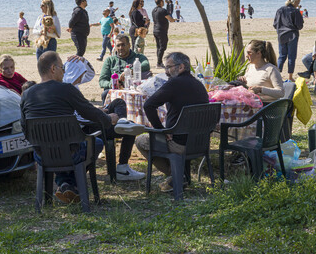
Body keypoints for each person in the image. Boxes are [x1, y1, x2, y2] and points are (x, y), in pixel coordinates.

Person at [20, 52, 119, 203]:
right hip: (71, 152)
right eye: (62, 67)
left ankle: (65, 184)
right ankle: (72, 183)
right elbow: (89, 112)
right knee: (96, 143)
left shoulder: (26, 95)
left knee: (62, 148)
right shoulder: (66, 89)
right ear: (53, 68)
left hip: (41, 154)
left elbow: (24, 127)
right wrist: (108, 119)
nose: (64, 71)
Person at [135, 52, 209, 193]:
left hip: (179, 144)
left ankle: (175, 175)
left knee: (140, 140)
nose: (166, 72)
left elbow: (148, 105)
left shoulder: (174, 83)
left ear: (181, 67)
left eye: (168, 68)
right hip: (200, 143)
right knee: (177, 133)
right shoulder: (198, 84)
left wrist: (161, 131)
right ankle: (180, 176)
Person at [99, 34, 151, 101]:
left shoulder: (139, 57)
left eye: (123, 45)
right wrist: (113, 83)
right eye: (118, 45)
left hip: (134, 90)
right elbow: (102, 81)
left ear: (129, 45)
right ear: (115, 46)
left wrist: (130, 71)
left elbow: (146, 65)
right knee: (105, 94)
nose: (121, 48)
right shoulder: (110, 61)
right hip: (116, 92)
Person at [273, 0, 304, 82]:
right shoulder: (295, 11)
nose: (298, 5)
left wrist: (280, 29)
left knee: (282, 56)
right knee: (291, 56)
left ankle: (277, 76)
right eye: (298, 3)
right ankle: (290, 77)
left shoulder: (280, 10)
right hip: (292, 35)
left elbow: (275, 24)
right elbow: (299, 25)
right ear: (294, 2)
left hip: (281, 35)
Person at [152, 0, 176, 68]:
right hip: (161, 30)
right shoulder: (163, 10)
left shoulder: (154, 10)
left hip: (155, 30)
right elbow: (170, 19)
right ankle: (159, 63)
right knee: (162, 47)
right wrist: (174, 19)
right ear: (161, 2)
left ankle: (159, 62)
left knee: (158, 47)